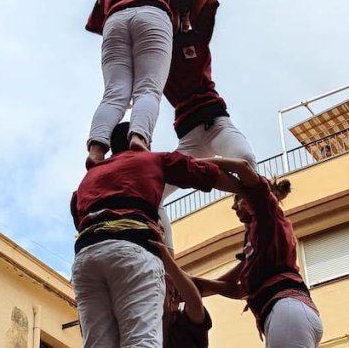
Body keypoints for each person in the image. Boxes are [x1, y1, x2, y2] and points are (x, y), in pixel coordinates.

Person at [70, 122, 244, 348]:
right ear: (143, 141)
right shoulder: (152, 160)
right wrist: (251, 189)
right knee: (141, 340)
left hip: (86, 257)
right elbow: (204, 173)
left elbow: (79, 215)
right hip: (132, 249)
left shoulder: (87, 179)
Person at [154, 0, 257, 250]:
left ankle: (255, 221)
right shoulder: (155, 52)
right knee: (150, 192)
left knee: (246, 158)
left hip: (215, 123)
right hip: (188, 139)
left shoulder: (195, 34)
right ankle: (168, 264)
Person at [84, 0, 216, 167]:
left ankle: (96, 150)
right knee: (148, 89)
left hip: (115, 20)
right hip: (152, 14)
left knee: (114, 93)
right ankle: (139, 137)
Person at [193, 160, 324, 347]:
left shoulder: (266, 216)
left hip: (286, 311)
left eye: (237, 199)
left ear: (249, 198)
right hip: (288, 314)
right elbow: (235, 288)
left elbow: (243, 167)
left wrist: (197, 162)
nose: (233, 207)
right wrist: (181, 284)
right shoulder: (258, 243)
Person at [149, 230, 212, 348]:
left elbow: (195, 303)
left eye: (161, 290)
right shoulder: (143, 321)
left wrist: (167, 260)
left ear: (175, 301)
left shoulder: (182, 326)